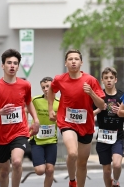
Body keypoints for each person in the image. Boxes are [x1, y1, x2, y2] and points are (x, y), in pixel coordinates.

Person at [0, 49, 40, 187]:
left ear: (18, 66)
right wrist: (0, 112)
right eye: (9, 63)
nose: (12, 66)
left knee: (17, 162)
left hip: (19, 132)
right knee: (4, 171)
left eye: (15, 63)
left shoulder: (25, 85)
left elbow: (29, 102)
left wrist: (36, 120)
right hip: (0, 136)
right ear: (3, 66)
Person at [48, 49, 105, 187]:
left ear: (81, 62)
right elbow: (51, 90)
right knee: (73, 153)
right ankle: (72, 181)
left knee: (82, 162)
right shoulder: (59, 79)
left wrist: (91, 93)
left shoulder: (90, 80)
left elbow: (102, 105)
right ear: (66, 63)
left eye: (76, 59)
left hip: (86, 124)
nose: (73, 61)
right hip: (66, 121)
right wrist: (51, 109)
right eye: (70, 59)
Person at [93, 67, 124, 187]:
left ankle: (116, 182)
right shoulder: (98, 96)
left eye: (111, 78)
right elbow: (89, 115)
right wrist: (99, 109)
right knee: (106, 171)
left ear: (116, 79)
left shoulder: (122, 96)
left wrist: (120, 112)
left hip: (118, 135)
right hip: (103, 136)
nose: (109, 80)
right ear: (102, 80)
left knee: (116, 164)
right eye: (106, 78)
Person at [30, 77, 59, 187]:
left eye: (48, 86)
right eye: (43, 87)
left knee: (50, 170)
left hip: (52, 140)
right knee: (40, 170)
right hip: (37, 140)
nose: (46, 89)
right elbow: (25, 110)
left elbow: (64, 118)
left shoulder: (59, 102)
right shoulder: (36, 100)